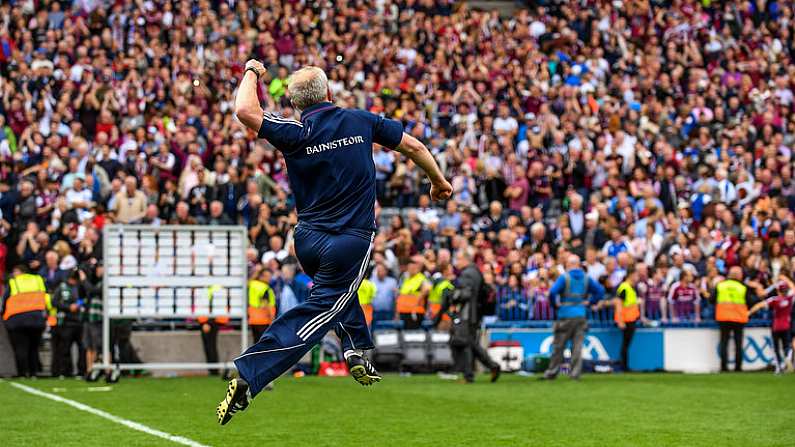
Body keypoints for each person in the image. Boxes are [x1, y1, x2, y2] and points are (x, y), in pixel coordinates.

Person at [217, 61, 452, 425]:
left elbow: (245, 110)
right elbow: (415, 147)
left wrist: (252, 72)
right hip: (350, 240)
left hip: (307, 240)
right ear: (329, 93)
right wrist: (438, 182)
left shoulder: (295, 131)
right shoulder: (361, 120)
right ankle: (252, 372)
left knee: (339, 290)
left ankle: (356, 348)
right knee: (322, 306)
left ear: (297, 104)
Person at [433, 251, 500, 383]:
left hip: (467, 314)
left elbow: (465, 294)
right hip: (474, 313)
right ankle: (489, 367)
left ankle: (471, 374)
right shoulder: (475, 272)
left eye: (457, 259)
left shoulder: (467, 274)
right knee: (469, 343)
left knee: (463, 343)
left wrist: (452, 295)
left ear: (464, 260)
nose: (456, 263)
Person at [542, 254, 606, 380]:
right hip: (581, 315)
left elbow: (553, 292)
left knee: (559, 346)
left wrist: (555, 305)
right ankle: (575, 374)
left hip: (565, 315)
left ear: (569, 264)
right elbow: (600, 291)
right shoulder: (586, 278)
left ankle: (552, 372)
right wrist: (590, 302)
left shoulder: (564, 278)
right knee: (577, 347)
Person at [1, 265, 48, 377]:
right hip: (37, 319)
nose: (13, 273)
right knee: (33, 347)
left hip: (17, 320)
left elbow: (5, 299)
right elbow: (46, 297)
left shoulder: (14, 282)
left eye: (15, 271)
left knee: (21, 347)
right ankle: (33, 372)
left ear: (20, 272)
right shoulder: (38, 280)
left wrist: (4, 315)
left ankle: (22, 373)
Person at [711, 266, 753, 372]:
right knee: (738, 344)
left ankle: (723, 367)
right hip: (738, 318)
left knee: (724, 343)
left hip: (723, 317)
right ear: (739, 275)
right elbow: (750, 301)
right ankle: (738, 367)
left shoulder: (720, 285)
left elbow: (711, 299)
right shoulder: (743, 287)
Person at [748, 280, 794, 374]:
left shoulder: (774, 299)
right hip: (786, 326)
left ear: (778, 290)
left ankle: (779, 367)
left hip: (776, 327)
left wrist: (749, 312)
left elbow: (760, 305)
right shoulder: (790, 299)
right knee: (787, 345)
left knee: (776, 348)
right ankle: (788, 357)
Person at [51, 269, 86, 377]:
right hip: (66, 322)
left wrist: (78, 304)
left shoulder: (81, 286)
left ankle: (81, 371)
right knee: (65, 348)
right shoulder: (62, 287)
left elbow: (85, 298)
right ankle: (66, 371)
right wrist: (68, 307)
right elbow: (54, 302)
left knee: (82, 348)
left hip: (79, 321)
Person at [611, 267, 642, 371]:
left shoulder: (630, 287)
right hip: (626, 320)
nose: (638, 277)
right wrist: (620, 320)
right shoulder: (624, 287)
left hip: (631, 319)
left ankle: (624, 366)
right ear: (631, 275)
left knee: (626, 343)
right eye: (636, 275)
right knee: (625, 344)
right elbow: (618, 304)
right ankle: (624, 366)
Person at [396, 255, 431, 329]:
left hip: (414, 312)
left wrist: (419, 298)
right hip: (403, 311)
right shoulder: (405, 278)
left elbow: (427, 288)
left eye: (414, 267)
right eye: (410, 267)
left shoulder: (420, 277)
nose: (411, 269)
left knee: (412, 335)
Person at [248, 267, 276, 342]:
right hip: (264, 320)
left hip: (253, 319)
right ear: (261, 276)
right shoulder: (264, 288)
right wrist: (272, 319)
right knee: (263, 343)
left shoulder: (252, 284)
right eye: (268, 276)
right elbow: (267, 304)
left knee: (256, 342)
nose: (269, 278)